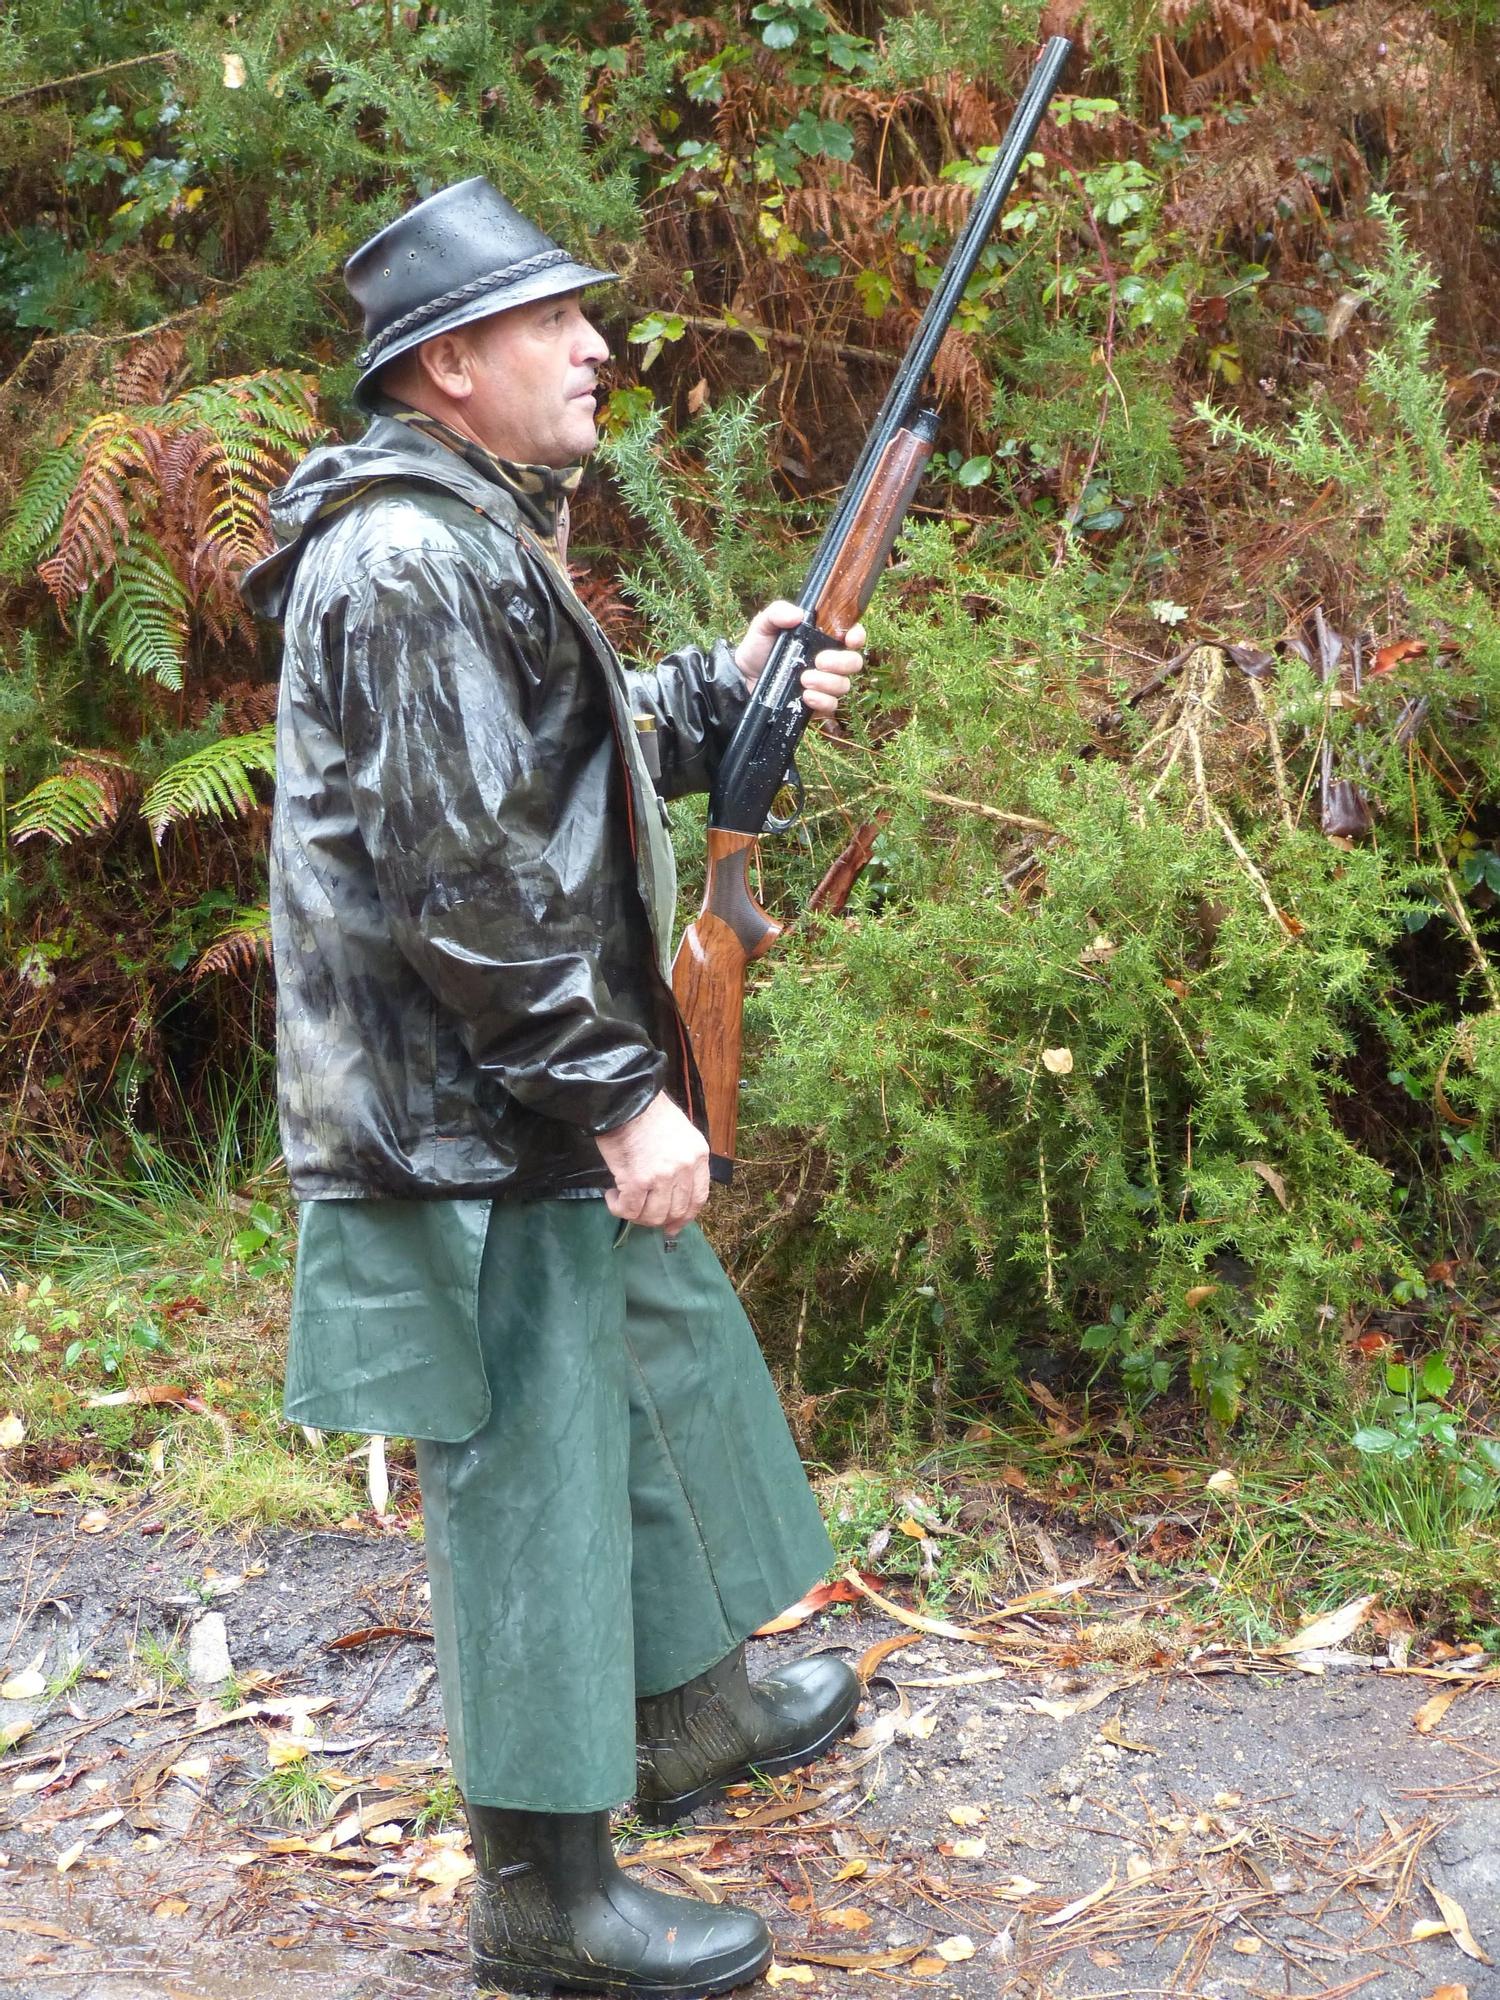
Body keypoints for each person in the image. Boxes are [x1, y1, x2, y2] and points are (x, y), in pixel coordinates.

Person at [242, 177, 868, 1998]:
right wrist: (619, 1096)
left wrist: (719, 692)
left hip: (514, 1086)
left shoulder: (463, 528)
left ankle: (684, 1718)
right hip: (470, 1118)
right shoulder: (407, 559)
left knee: (649, 1360)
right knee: (529, 1468)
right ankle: (541, 1889)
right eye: (551, 323)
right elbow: (471, 878)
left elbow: (544, 767)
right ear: (450, 364)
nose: (598, 346)